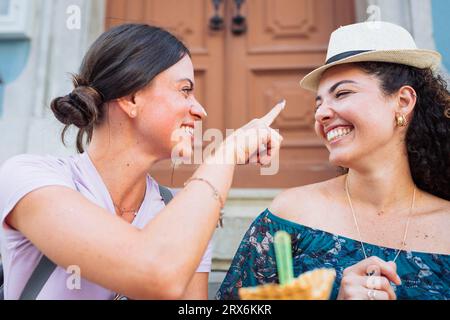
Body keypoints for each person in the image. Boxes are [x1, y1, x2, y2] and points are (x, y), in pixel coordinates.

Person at [0, 24, 284, 300]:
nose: (200, 110)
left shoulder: (181, 210)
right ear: (131, 97)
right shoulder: (28, 179)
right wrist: (225, 156)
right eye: (185, 90)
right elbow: (156, 272)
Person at [217, 21, 450, 300]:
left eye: (342, 94)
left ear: (403, 101)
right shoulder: (289, 217)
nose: (321, 114)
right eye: (318, 104)